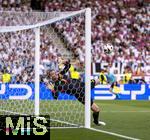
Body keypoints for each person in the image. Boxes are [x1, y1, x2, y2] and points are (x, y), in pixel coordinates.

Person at [46, 60, 106, 126]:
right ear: (50, 77)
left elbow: (68, 66)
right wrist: (52, 90)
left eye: (55, 73)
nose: (55, 74)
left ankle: (105, 78)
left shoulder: (61, 75)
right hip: (80, 94)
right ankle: (96, 122)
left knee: (99, 80)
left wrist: (65, 62)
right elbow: (55, 97)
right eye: (52, 74)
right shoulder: (56, 86)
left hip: (82, 85)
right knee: (96, 109)